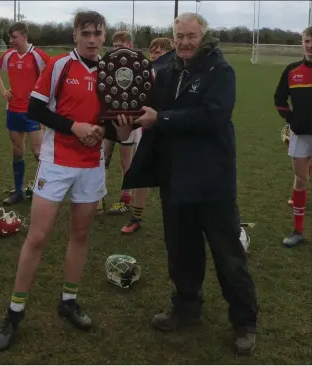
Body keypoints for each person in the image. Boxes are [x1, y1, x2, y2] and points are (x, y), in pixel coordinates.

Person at [0, 10, 132, 351]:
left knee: (80, 234)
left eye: (97, 33)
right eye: (86, 32)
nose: (92, 38)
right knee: (38, 237)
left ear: (103, 36)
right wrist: (74, 127)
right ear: (75, 35)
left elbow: (118, 121)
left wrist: (117, 130)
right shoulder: (58, 66)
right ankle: (14, 312)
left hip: (91, 165)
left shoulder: (112, 72)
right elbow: (35, 111)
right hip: (56, 163)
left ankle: (68, 301)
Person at [122, 13, 258, 355]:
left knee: (228, 254)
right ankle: (186, 307)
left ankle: (244, 321)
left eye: (191, 36)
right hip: (176, 177)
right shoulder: (166, 70)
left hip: (213, 179)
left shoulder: (220, 71)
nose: (184, 42)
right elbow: (146, 104)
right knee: (181, 249)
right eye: (179, 35)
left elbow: (214, 115)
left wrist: (162, 118)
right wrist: (124, 112)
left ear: (204, 36)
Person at [0, 22, 50, 205]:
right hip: (13, 111)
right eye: (10, 37)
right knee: (17, 152)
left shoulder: (38, 55)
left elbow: (54, 75)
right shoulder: (8, 55)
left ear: (24, 36)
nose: (11, 41)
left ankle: (41, 190)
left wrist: (43, 97)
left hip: (33, 112)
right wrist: (3, 92)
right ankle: (18, 191)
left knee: (38, 153)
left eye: (14, 37)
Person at [121, 37, 174, 234]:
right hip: (148, 133)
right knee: (142, 172)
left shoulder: (177, 74)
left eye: (158, 53)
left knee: (174, 178)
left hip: (172, 134)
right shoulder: (145, 74)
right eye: (152, 52)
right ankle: (136, 217)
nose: (154, 56)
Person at [274, 26, 312, 247]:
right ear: (302, 43)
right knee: (300, 180)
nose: (310, 46)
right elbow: (279, 99)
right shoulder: (292, 70)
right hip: (301, 136)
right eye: (307, 41)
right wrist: (291, 120)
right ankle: (298, 231)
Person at [98, 30, 142, 215]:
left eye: (121, 46)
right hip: (109, 119)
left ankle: (125, 199)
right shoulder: (108, 65)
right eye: (115, 46)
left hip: (129, 121)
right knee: (102, 158)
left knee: (126, 162)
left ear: (130, 46)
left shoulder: (139, 66)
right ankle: (99, 197)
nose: (117, 49)